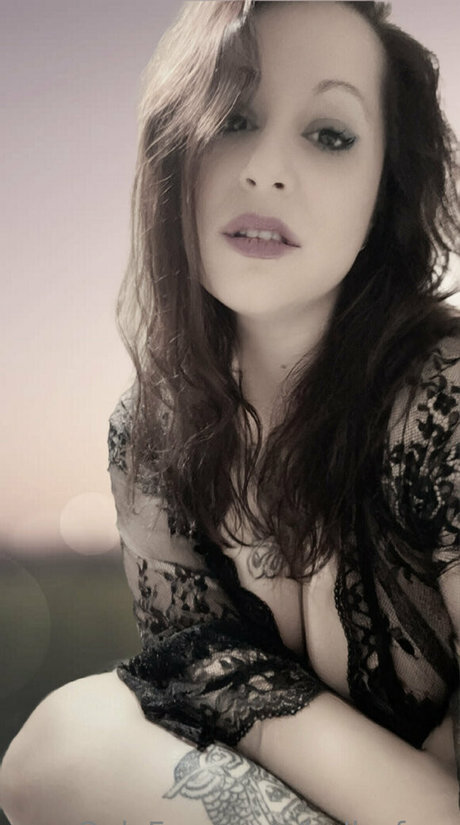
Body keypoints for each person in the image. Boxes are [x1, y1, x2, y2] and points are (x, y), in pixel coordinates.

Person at [1, 2, 459, 824]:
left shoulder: (442, 396)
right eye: (234, 118)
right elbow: (204, 701)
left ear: (383, 188)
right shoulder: (154, 434)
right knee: (61, 743)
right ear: (177, 151)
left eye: (329, 134)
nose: (265, 169)